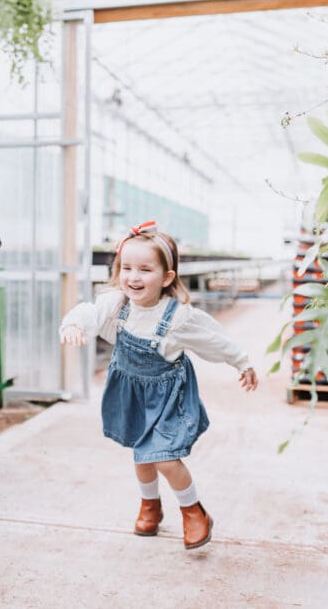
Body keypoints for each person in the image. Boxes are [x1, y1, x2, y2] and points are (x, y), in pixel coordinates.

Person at [60, 220, 258, 549]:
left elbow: (212, 340)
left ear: (166, 277)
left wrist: (242, 361)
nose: (133, 277)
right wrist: (72, 325)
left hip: (168, 397)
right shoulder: (116, 303)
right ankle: (150, 505)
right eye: (126, 268)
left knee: (164, 458)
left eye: (145, 269)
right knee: (143, 456)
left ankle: (193, 510)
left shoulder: (176, 316)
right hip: (131, 392)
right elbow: (88, 313)